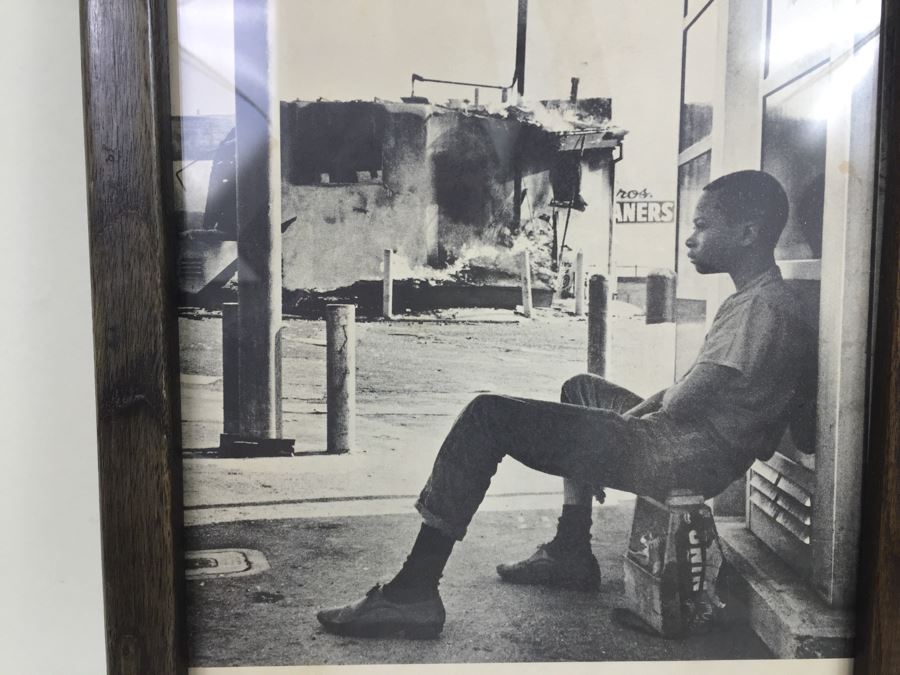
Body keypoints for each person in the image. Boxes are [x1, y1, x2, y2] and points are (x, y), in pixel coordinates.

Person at [316, 169, 811, 639]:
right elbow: (683, 395)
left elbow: (681, 402)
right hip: (682, 439)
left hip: (684, 454)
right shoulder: (756, 298)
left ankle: (413, 591)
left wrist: (618, 432)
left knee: (486, 416)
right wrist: (616, 424)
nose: (690, 238)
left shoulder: (760, 310)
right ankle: (571, 550)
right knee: (580, 388)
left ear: (748, 234)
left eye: (702, 225)